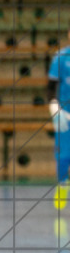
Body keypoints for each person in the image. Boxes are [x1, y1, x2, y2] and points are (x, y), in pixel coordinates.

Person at [49, 29, 70, 209]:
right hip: (65, 115)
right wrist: (53, 105)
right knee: (63, 155)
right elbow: (51, 85)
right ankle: (63, 185)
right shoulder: (61, 57)